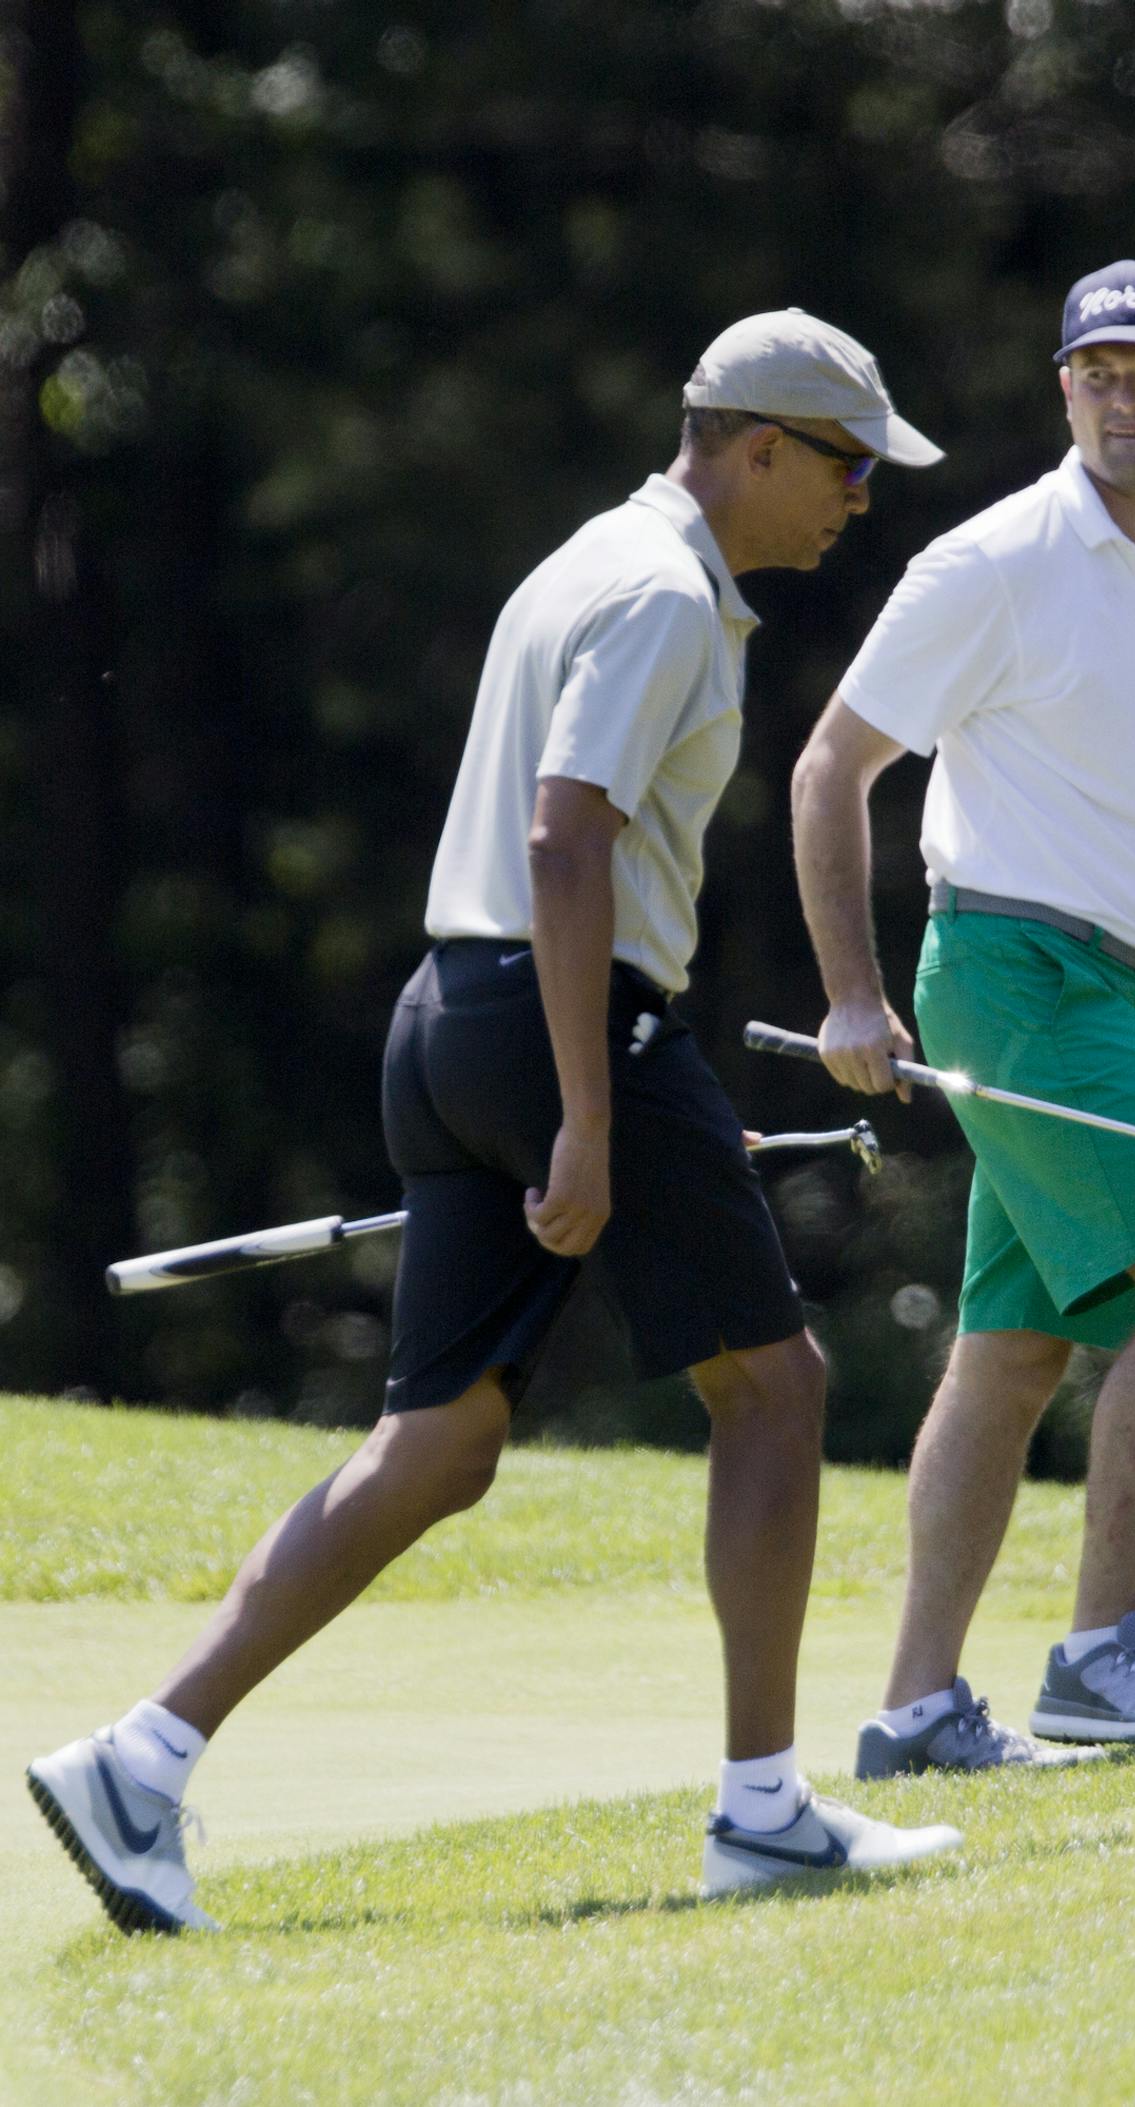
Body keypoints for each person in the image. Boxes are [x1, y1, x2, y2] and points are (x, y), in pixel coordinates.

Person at [27, 309, 963, 1930]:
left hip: (452, 1021)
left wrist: (609, 1112)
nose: (857, 501)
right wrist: (596, 1121)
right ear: (755, 447)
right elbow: (562, 840)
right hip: (560, 1019)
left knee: (443, 1442)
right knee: (778, 1391)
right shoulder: (668, 593)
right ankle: (765, 1813)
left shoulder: (589, 553)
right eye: (846, 468)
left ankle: (140, 1758)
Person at [789, 262, 1135, 1778]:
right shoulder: (994, 561)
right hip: (1014, 970)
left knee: (1014, 1349)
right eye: (1097, 371)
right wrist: (851, 987)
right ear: (1062, 389)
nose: (1124, 397)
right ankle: (1101, 1651)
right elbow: (832, 769)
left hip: (1128, 992)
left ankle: (914, 1708)